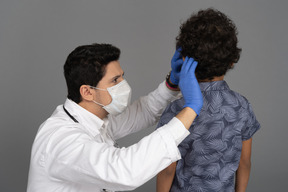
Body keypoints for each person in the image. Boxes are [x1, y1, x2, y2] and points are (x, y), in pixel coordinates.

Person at [26, 43, 203, 192]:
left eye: (121, 77)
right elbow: (124, 170)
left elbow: (143, 112)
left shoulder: (93, 119)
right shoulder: (61, 139)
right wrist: (191, 107)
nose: (123, 85)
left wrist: (171, 84)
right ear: (87, 91)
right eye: (115, 80)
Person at [156, 8, 260, 192]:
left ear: (184, 58)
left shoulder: (175, 111)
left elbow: (166, 170)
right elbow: (244, 162)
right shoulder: (242, 106)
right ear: (232, 61)